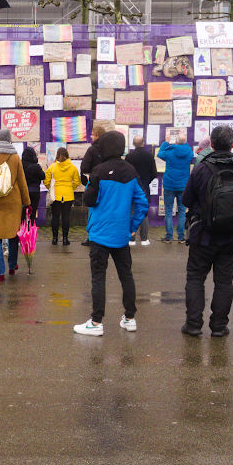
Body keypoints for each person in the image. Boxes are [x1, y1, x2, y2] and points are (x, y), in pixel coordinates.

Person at [181, 125, 233, 337]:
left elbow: (187, 199)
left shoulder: (201, 169)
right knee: (224, 282)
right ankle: (219, 326)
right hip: (230, 238)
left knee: (195, 278)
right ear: (232, 145)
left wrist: (203, 212)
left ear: (211, 145)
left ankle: (193, 325)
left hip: (202, 235)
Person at [74, 131, 149, 336]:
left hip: (99, 233)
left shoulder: (98, 171)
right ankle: (130, 318)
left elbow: (89, 200)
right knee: (126, 275)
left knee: (98, 277)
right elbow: (142, 203)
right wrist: (133, 227)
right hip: (121, 234)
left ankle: (96, 323)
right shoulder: (131, 172)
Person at [0, 128, 31, 281]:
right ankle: (12, 266)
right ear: (9, 140)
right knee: (12, 235)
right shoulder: (15, 158)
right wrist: (27, 202)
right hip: (12, 203)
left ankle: (0, 272)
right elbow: (22, 182)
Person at [158, 133, 194, 243]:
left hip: (169, 185)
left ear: (176, 141)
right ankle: (181, 237)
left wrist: (166, 142)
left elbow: (160, 154)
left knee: (168, 211)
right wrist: (182, 142)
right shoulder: (189, 152)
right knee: (182, 211)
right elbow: (185, 147)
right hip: (183, 185)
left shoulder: (170, 151)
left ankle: (169, 237)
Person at [43, 146, 81, 246]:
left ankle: (54, 239)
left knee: (55, 217)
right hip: (68, 195)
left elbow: (46, 180)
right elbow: (77, 181)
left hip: (55, 195)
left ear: (57, 155)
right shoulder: (72, 167)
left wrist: (51, 188)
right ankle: (65, 239)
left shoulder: (52, 167)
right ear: (67, 155)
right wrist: (70, 187)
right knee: (66, 217)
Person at [124, 135, 157, 246]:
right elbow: (154, 173)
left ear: (133, 144)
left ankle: (131, 239)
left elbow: (126, 173)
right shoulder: (149, 156)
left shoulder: (129, 156)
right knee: (143, 212)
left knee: (131, 212)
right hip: (144, 188)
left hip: (131, 188)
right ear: (143, 143)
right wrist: (146, 181)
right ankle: (144, 239)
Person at [80, 122, 105, 246]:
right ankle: (104, 235)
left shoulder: (92, 150)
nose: (91, 137)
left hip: (94, 183)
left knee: (93, 210)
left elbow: (84, 167)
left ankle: (92, 237)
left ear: (97, 136)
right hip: (108, 184)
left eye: (93, 135)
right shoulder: (108, 149)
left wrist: (85, 182)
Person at [21, 146, 45, 225]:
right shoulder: (36, 166)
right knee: (33, 211)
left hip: (23, 192)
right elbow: (43, 176)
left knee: (22, 212)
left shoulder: (20, 166)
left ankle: (22, 229)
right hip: (35, 191)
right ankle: (31, 228)